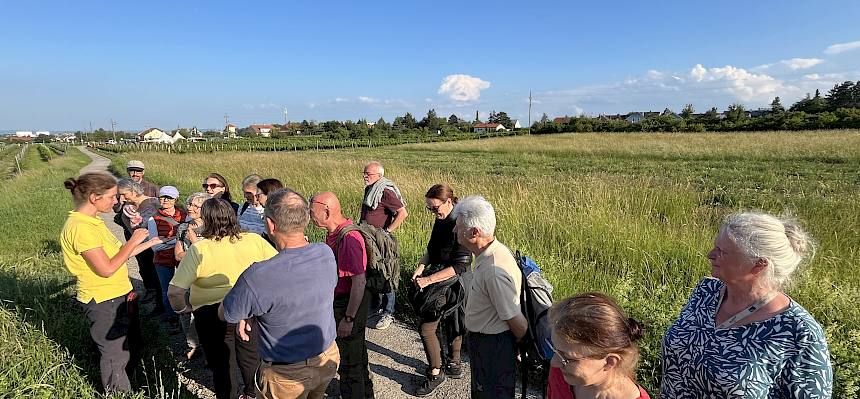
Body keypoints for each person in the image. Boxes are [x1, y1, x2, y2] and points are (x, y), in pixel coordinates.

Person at [661, 212, 832, 398]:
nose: (710, 255)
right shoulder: (706, 292)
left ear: (759, 264)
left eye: (722, 252)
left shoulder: (798, 332)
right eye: (715, 247)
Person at [221, 189, 340, 399]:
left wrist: (248, 310)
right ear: (306, 219)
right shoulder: (325, 253)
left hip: (286, 373)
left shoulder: (257, 275)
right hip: (327, 357)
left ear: (270, 224)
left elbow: (227, 314)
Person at [59, 173, 161, 392]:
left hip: (120, 293)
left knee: (131, 345)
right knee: (115, 355)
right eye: (113, 197)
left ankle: (131, 384)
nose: (117, 202)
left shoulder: (92, 221)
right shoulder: (81, 228)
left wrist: (151, 242)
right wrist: (133, 239)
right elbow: (106, 269)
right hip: (104, 299)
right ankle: (118, 393)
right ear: (95, 197)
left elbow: (118, 255)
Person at [167, 198, 277, 399]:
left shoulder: (200, 249)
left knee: (221, 363)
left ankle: (228, 395)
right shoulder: (254, 240)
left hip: (210, 313)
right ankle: (253, 393)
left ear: (206, 221)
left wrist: (183, 308)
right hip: (249, 309)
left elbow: (174, 292)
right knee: (252, 356)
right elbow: (277, 268)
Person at [453, 195, 526, 399]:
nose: (454, 231)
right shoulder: (488, 255)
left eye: (458, 227)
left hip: (493, 348)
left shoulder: (494, 270)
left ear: (474, 232)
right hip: (487, 345)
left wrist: (517, 345)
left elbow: (518, 324)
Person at [408, 184, 471, 396]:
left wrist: (428, 280)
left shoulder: (460, 223)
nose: (434, 213)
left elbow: (461, 265)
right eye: (430, 209)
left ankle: (437, 373)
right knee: (451, 320)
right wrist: (420, 267)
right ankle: (453, 364)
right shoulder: (442, 219)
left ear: (449, 201)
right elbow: (432, 248)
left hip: (454, 281)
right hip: (441, 277)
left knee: (428, 328)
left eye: (435, 208)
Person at [310, 192, 375, 399]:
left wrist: (348, 319)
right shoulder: (334, 234)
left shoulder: (349, 238)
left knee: (349, 365)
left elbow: (359, 282)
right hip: (343, 304)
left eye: (312, 211)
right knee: (357, 357)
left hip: (348, 306)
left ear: (326, 212)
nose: (309, 215)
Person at [547, 293, 650, 399]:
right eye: (555, 349)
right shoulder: (562, 374)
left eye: (567, 357)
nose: (553, 363)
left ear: (609, 362)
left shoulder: (566, 372)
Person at [360, 161, 408, 330]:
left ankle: (388, 312)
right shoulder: (371, 189)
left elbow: (402, 212)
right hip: (369, 239)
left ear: (379, 176)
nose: (365, 176)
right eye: (364, 173)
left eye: (368, 174)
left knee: (386, 274)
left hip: (381, 242)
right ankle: (376, 308)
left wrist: (386, 231)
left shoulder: (385, 191)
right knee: (373, 272)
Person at [173, 192, 211, 361]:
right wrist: (194, 255)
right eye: (189, 204)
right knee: (185, 311)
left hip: (207, 278)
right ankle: (192, 345)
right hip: (188, 277)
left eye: (196, 206)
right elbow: (178, 254)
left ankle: (209, 347)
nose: (190, 208)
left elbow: (211, 258)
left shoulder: (213, 229)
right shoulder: (183, 227)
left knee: (206, 313)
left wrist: (194, 243)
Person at [117, 177, 164, 313]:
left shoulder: (154, 203)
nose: (122, 199)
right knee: (145, 269)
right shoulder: (128, 209)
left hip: (156, 247)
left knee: (158, 275)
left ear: (133, 191)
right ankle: (152, 294)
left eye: (124, 195)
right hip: (141, 247)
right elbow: (131, 230)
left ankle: (162, 306)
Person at [147, 186, 187, 330]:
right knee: (167, 290)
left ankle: (184, 315)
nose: (165, 200)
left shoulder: (185, 215)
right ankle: (172, 318)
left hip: (181, 258)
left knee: (184, 287)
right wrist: (177, 241)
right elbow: (154, 247)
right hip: (162, 259)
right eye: (162, 197)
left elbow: (159, 243)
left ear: (176, 199)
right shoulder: (153, 219)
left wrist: (164, 241)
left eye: (169, 197)